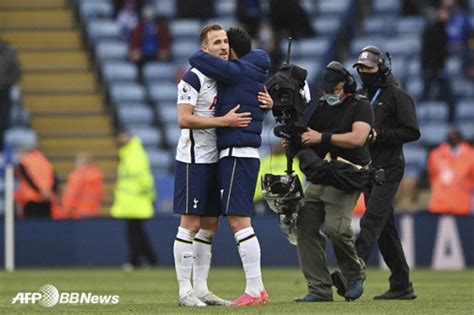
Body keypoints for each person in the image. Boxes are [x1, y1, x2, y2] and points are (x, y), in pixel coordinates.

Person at [173, 23, 259, 307]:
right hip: (193, 159)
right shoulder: (193, 78)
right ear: (204, 49)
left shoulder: (226, 76)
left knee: (211, 224)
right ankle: (185, 292)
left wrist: (266, 102)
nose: (223, 46)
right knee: (191, 223)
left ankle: (201, 289)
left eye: (225, 41)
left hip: (217, 159)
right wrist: (222, 122)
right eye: (216, 42)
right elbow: (184, 119)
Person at [189, 27, 273, 306]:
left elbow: (196, 59)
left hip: (237, 152)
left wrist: (207, 51)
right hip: (243, 152)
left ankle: (253, 289)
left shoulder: (237, 71)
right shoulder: (252, 71)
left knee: (239, 221)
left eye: (226, 43)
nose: (223, 48)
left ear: (234, 51)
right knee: (237, 219)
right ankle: (256, 288)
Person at [284, 61, 372, 302]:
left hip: (347, 173)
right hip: (322, 173)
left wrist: (320, 137)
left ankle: (355, 273)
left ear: (345, 86)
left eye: (333, 89)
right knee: (305, 227)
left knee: (337, 228)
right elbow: (307, 134)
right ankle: (319, 289)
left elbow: (358, 138)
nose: (328, 94)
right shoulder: (323, 105)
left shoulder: (361, 106)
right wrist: (297, 140)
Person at [341, 45, 420, 300]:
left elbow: (412, 131)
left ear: (382, 68)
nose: (364, 72)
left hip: (390, 167)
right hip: (369, 167)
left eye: (369, 68)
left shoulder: (397, 95)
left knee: (372, 218)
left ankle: (352, 271)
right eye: (361, 69)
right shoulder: (363, 96)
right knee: (385, 229)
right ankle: (401, 285)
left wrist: (380, 135)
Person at [111, 131, 158, 269]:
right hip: (131, 202)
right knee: (137, 233)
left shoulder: (135, 155)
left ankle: (135, 260)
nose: (119, 138)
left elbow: (144, 178)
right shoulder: (128, 154)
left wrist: (150, 196)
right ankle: (150, 259)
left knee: (134, 233)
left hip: (136, 202)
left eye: (122, 136)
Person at [427, 130, 474, 215]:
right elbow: (432, 175)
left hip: (462, 206)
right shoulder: (436, 154)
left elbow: (472, 180)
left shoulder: (471, 155)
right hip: (439, 205)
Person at [421, 5, 455, 121]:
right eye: (444, 13)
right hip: (431, 68)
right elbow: (428, 51)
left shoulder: (444, 28)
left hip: (439, 68)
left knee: (447, 96)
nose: (446, 15)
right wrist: (430, 67)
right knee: (426, 96)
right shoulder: (432, 28)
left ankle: (450, 121)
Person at [14, 145, 62, 219]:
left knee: (31, 227)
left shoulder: (24, 161)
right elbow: (54, 177)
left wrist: (39, 191)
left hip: (31, 200)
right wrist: (51, 192)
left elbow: (27, 178)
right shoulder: (45, 161)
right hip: (47, 199)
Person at [62, 152, 104, 219]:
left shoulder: (78, 175)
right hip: (92, 213)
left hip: (76, 214)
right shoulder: (97, 176)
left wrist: (65, 212)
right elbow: (100, 197)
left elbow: (71, 195)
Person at [0, 39, 21, 151]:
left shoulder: (7, 52)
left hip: (4, 93)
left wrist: (5, 82)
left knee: (3, 122)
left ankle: (2, 151)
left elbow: (17, 73)